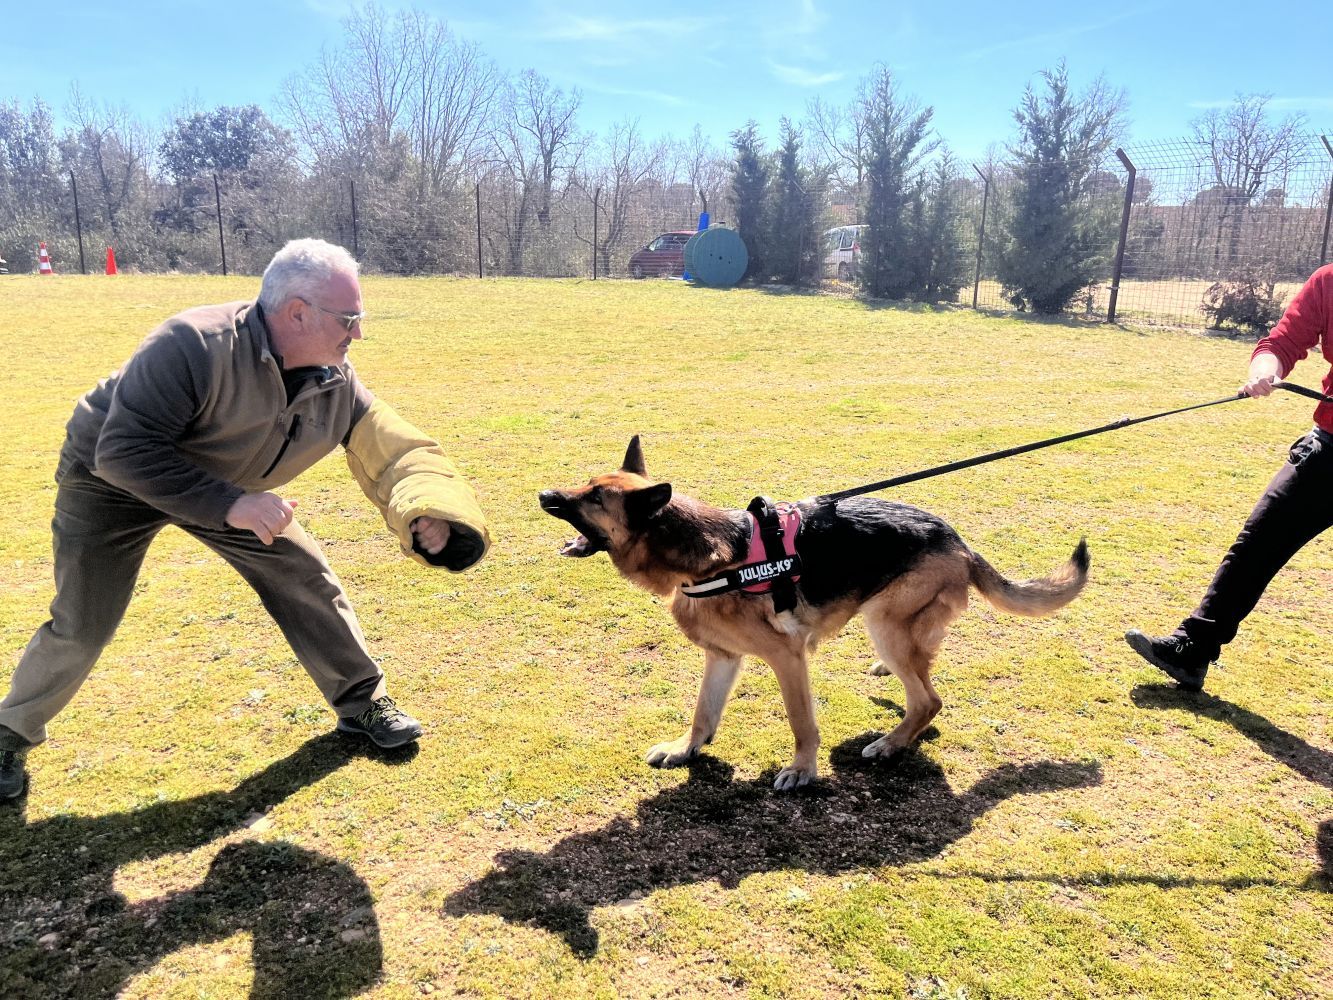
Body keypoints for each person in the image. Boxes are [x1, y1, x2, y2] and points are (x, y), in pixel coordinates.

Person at [0, 239, 490, 800]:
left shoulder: (334, 378)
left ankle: (361, 701)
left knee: (303, 576)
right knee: (83, 620)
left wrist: (433, 512)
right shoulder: (194, 343)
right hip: (112, 482)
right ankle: (8, 732)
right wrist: (230, 504)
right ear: (297, 312)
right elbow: (124, 451)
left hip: (229, 488)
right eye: (348, 319)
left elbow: (399, 453)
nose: (357, 334)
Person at [1125, 263, 1333, 691]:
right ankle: (1192, 650)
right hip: (1330, 447)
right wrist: (1264, 369)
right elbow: (1283, 340)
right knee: (1258, 542)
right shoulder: (1329, 282)